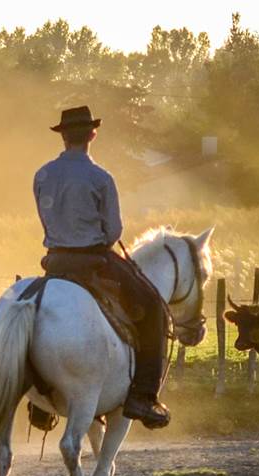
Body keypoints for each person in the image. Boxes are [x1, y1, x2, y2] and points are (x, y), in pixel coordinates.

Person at [34, 105, 170, 428]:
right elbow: (113, 232)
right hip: (94, 261)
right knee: (153, 308)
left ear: (63, 136)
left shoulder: (42, 175)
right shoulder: (101, 178)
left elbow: (45, 218)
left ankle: (40, 403)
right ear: (92, 135)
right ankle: (143, 396)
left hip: (54, 262)